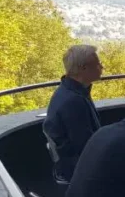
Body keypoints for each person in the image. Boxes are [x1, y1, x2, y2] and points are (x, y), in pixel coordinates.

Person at [43, 45, 104, 182]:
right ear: (84, 69)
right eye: (98, 64)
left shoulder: (70, 91)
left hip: (71, 164)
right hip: (79, 170)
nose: (102, 67)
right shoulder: (73, 101)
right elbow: (86, 147)